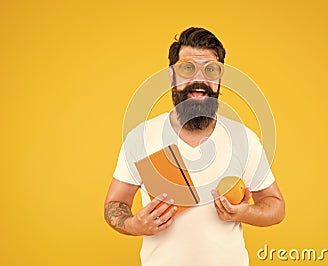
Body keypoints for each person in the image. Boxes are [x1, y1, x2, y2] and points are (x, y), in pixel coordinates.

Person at [104, 27, 285, 266]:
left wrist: (245, 213)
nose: (199, 79)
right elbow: (114, 204)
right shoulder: (142, 137)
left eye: (210, 69)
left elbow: (276, 206)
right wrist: (132, 224)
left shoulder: (243, 138)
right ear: (171, 76)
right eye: (187, 68)